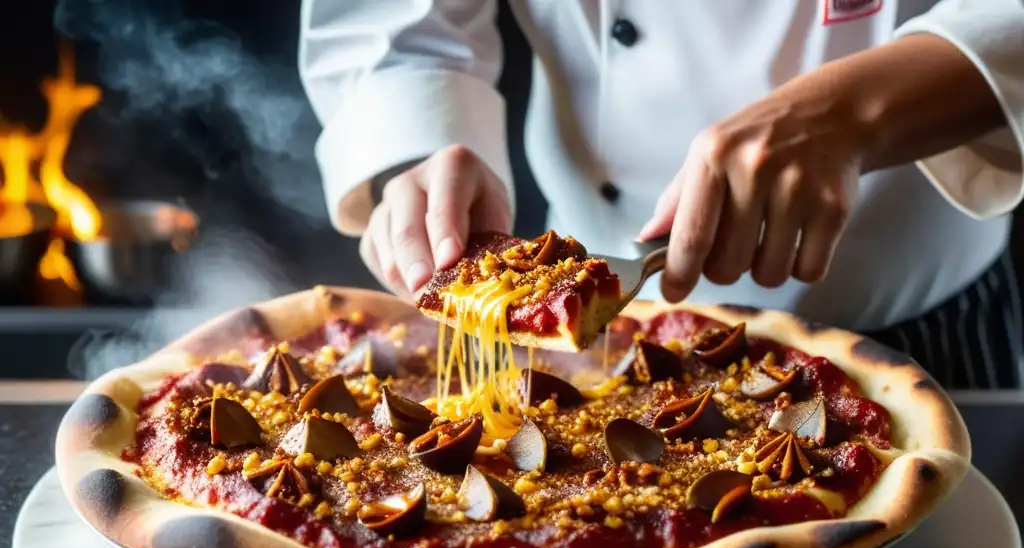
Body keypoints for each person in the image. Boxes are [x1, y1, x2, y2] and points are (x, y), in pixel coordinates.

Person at [298, 0, 1024, 390]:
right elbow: (391, 21)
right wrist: (417, 144)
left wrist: (863, 109)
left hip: (920, 327)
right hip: (583, 331)